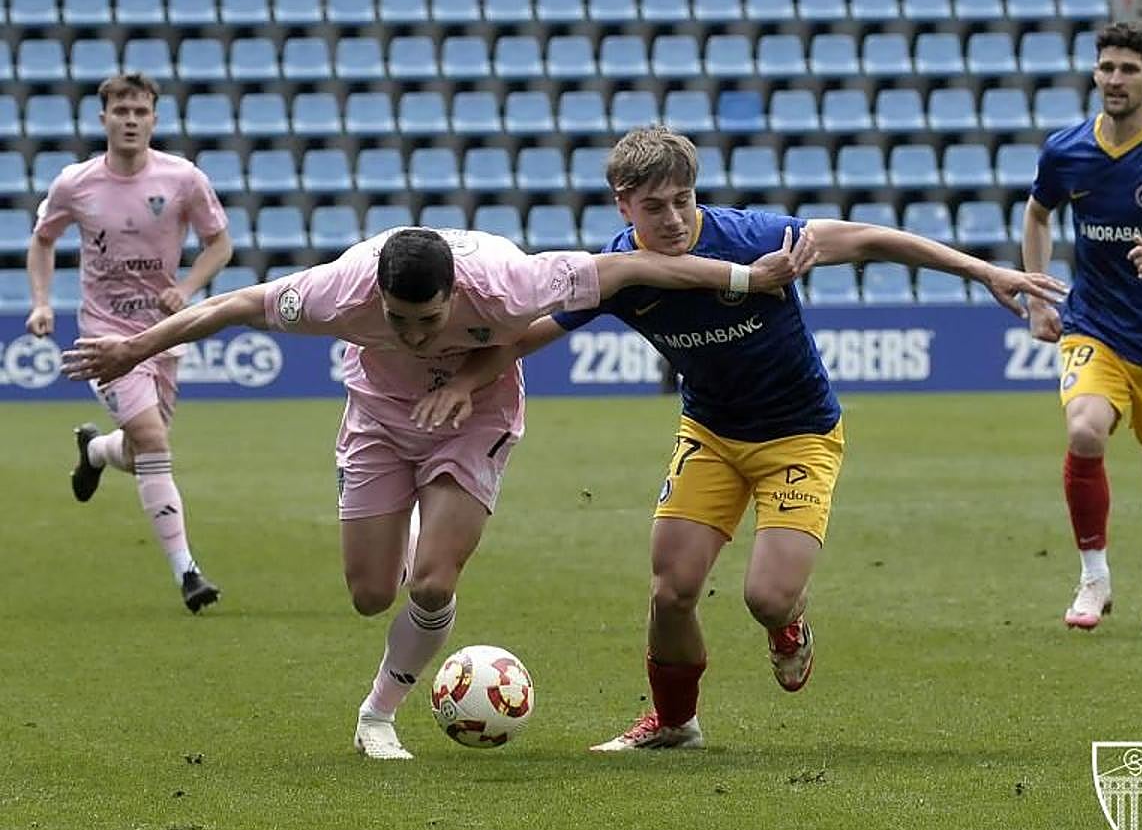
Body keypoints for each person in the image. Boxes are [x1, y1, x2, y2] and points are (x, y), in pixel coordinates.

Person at [410, 126, 1069, 752]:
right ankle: (674, 724)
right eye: (653, 206)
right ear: (623, 204)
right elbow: (530, 334)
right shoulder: (619, 269)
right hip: (712, 434)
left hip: (799, 436)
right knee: (671, 591)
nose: (671, 219)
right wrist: (468, 380)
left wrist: (987, 272)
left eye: (682, 201)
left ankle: (788, 626)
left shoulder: (752, 237)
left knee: (766, 596)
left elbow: (868, 238)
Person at [63, 225, 814, 759]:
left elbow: (635, 270)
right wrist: (134, 347)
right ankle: (415, 541)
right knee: (367, 592)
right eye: (398, 321)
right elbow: (232, 306)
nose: (415, 335)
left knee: (430, 583)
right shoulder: (336, 291)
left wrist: (746, 279)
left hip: (474, 418)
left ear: (456, 293)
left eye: (428, 321)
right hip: (379, 421)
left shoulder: (512, 279)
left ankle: (377, 715)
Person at [25, 72, 232, 613]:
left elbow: (220, 243)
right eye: (121, 112)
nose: (131, 120)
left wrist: (186, 289)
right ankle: (188, 572)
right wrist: (42, 301)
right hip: (104, 333)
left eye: (141, 112)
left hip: (162, 334)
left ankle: (96, 450)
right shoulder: (76, 183)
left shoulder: (183, 179)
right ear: (104, 120)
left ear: (155, 119)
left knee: (142, 449)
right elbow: (42, 240)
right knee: (154, 442)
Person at [1023, 22, 1142, 633]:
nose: (1115, 80)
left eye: (1128, 69)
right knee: (1085, 431)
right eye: (1107, 68)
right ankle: (1093, 574)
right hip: (1093, 324)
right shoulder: (1066, 150)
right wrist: (1038, 294)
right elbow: (1039, 214)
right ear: (1095, 74)